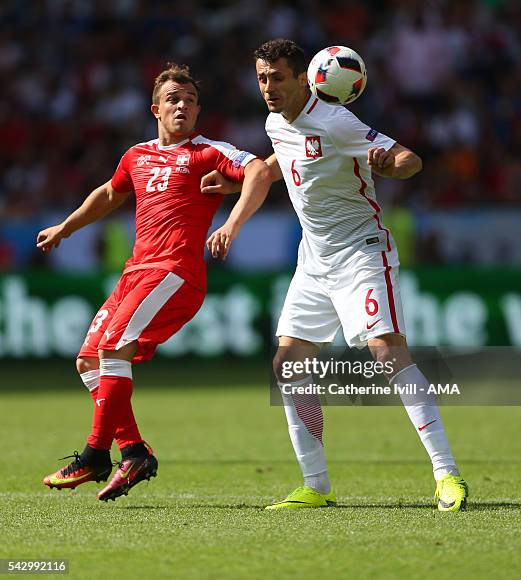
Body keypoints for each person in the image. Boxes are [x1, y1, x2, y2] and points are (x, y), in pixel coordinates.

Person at [202, 39, 468, 512]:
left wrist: (394, 165)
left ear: (305, 77)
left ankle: (447, 475)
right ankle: (315, 486)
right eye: (262, 78)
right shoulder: (275, 122)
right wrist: (236, 192)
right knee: (288, 366)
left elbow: (409, 158)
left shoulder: (337, 121)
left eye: (277, 78)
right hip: (314, 261)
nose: (268, 88)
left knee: (387, 353)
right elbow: (277, 164)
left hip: (361, 252)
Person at [37, 63, 271, 502]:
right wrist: (65, 228)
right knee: (89, 361)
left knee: (113, 349)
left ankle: (94, 454)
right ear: (155, 109)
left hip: (175, 273)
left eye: (190, 100)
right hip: (135, 273)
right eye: (173, 100)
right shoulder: (136, 156)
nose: (182, 106)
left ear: (199, 110)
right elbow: (109, 193)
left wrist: (233, 224)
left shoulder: (210, 152)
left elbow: (258, 171)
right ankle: (134, 450)